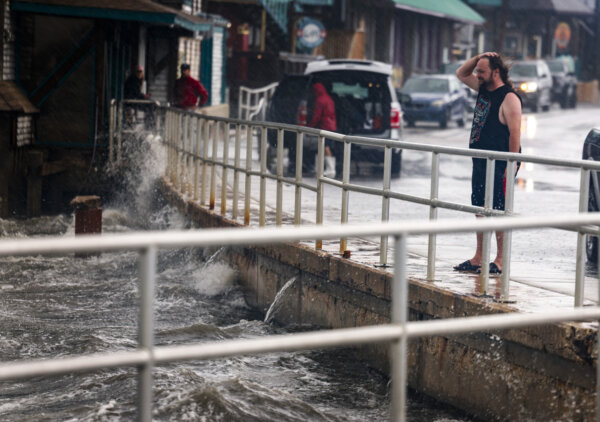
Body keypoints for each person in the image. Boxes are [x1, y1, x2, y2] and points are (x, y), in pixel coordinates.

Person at [453, 52, 522, 275]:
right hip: (481, 159)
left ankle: (500, 260)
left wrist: (511, 165)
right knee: (480, 207)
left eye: (482, 71)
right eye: (478, 71)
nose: (477, 75)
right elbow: (461, 73)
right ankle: (479, 257)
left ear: (496, 72)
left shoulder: (509, 97)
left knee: (498, 209)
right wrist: (478, 58)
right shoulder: (484, 88)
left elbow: (515, 134)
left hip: (501, 161)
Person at [307, 82, 337, 177]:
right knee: (326, 145)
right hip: (332, 125)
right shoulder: (329, 99)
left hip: (325, 126)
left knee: (325, 146)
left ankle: (330, 169)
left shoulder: (320, 100)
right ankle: (326, 168)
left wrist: (310, 126)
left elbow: (317, 116)